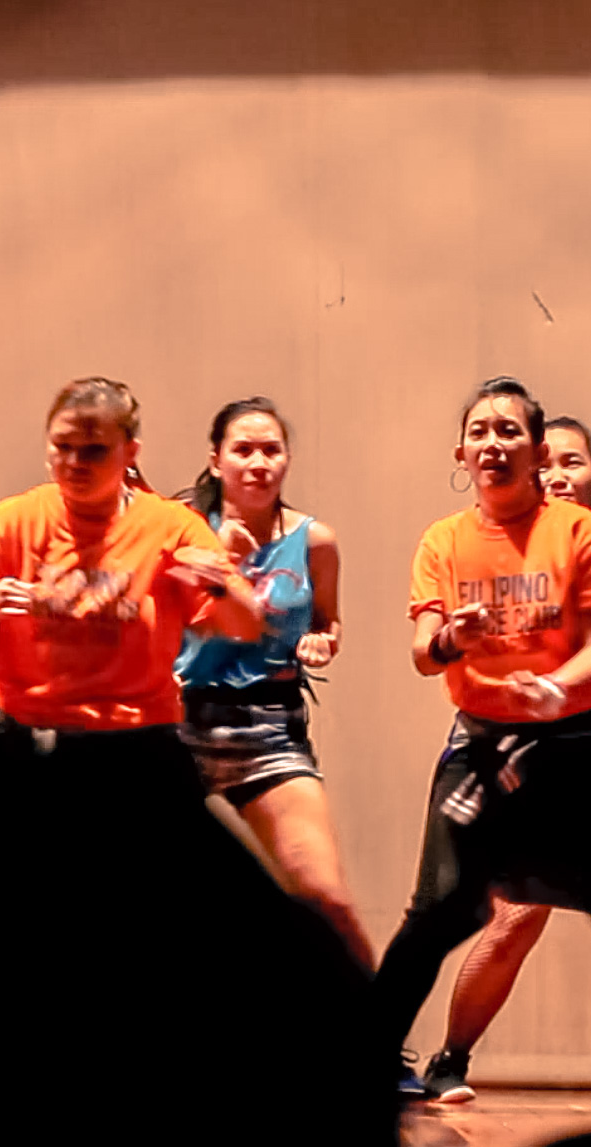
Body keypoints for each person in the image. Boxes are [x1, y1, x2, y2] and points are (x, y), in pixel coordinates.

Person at [0, 377, 387, 1144]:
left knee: (204, 922)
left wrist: (219, 587)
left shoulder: (167, 525)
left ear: (129, 452)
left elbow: (241, 622)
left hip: (141, 755)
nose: (72, 463)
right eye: (61, 447)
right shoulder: (15, 519)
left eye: (91, 450)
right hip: (25, 751)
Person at [376, 377, 591, 1099]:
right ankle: (419, 1059)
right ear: (460, 452)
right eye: (479, 432)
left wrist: (557, 685)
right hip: (488, 746)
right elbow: (424, 650)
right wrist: (452, 642)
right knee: (452, 911)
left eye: (510, 432)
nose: (494, 444)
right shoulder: (444, 539)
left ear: (540, 454)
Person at [172, 397, 372, 968]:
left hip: (269, 727)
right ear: (216, 461)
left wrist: (323, 640)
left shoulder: (314, 540)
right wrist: (220, 559)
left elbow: (328, 621)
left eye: (271, 450)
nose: (258, 463)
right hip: (180, 723)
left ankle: (372, 1021)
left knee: (326, 899)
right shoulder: (183, 529)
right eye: (243, 450)